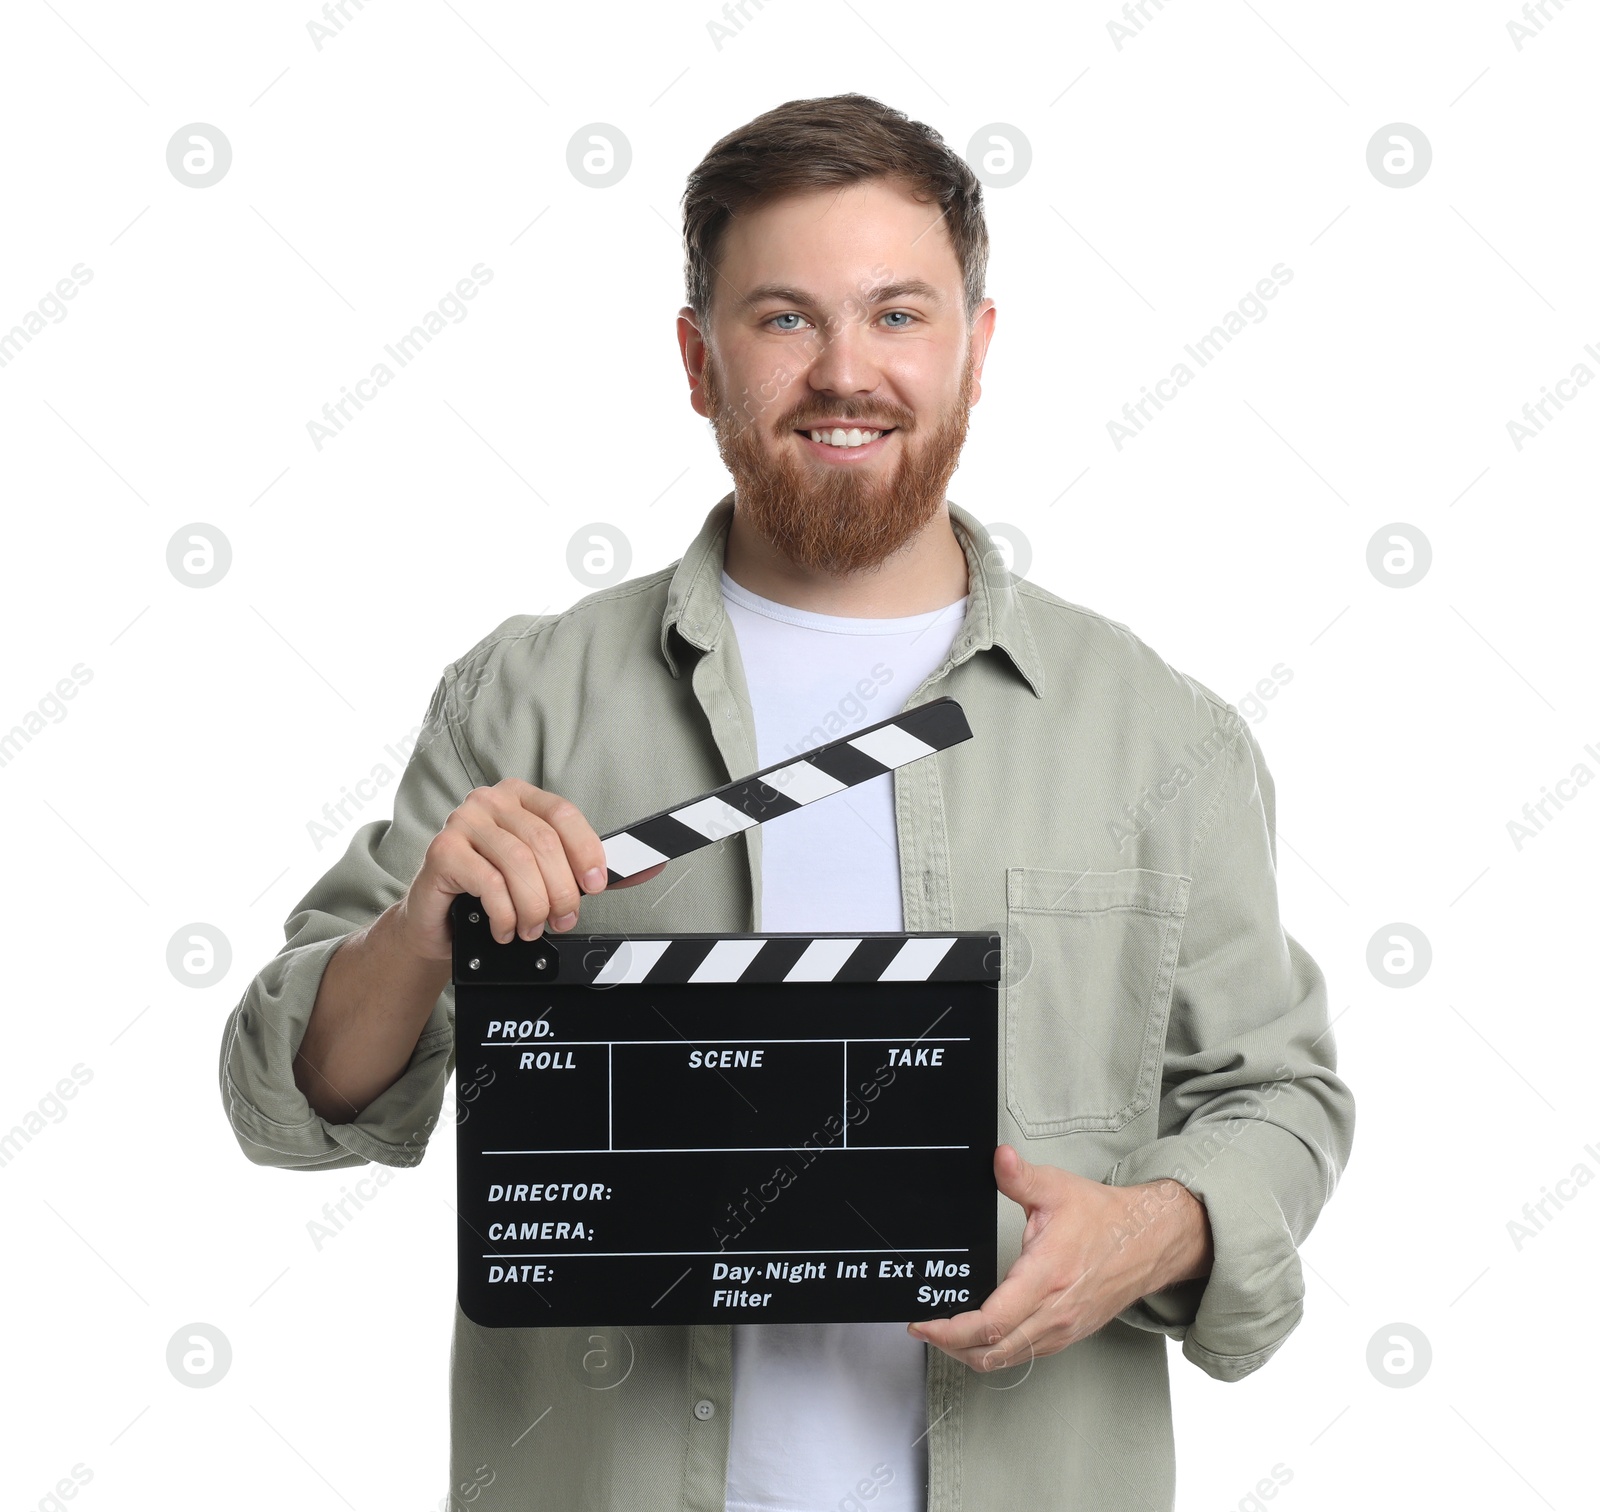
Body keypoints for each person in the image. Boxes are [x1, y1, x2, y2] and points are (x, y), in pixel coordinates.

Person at [219, 93, 1355, 1512]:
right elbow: (294, 1100)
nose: (844, 372)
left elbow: (1277, 1091)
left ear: (976, 350)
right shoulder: (529, 700)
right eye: (782, 319)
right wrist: (411, 936)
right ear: (697, 362)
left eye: (897, 314)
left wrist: (1157, 1226)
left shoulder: (1158, 737)